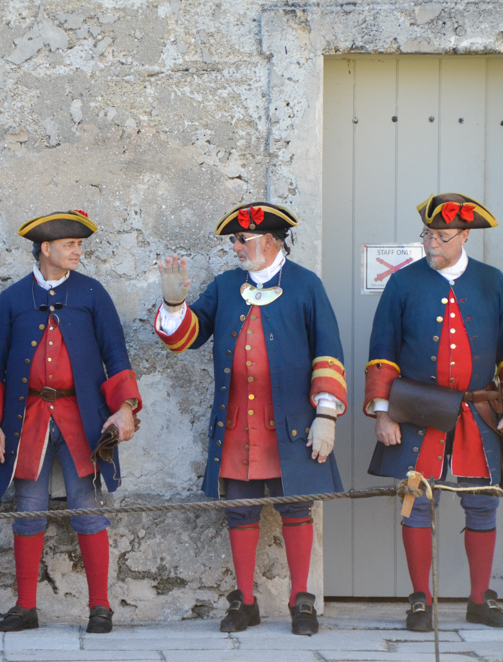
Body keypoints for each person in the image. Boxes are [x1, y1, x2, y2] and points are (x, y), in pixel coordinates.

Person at [154, 202, 347, 636]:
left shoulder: (306, 285)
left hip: (293, 422)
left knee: (297, 510)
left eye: (243, 240)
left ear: (272, 240)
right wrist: (173, 304)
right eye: (235, 240)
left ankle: (302, 602)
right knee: (240, 511)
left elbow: (329, 351)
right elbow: (186, 338)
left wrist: (326, 415)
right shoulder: (225, 286)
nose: (236, 248)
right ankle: (245, 601)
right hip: (239, 422)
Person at [364, 193, 503, 632]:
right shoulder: (403, 284)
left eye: (441, 237)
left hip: (478, 414)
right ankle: (420, 601)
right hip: (417, 412)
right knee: (417, 502)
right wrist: (384, 414)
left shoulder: (492, 281)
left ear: (464, 236)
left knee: (482, 505)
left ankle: (479, 600)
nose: (430, 245)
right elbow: (382, 353)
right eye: (427, 235)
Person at [0, 210, 141, 634]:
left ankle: (100, 608)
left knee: (87, 506)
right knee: (28, 509)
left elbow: (116, 355)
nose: (77, 251)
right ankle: (25, 607)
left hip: (80, 418)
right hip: (27, 419)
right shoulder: (12, 299)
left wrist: (125, 408)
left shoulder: (93, 294)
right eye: (70, 244)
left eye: (79, 244)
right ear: (45, 248)